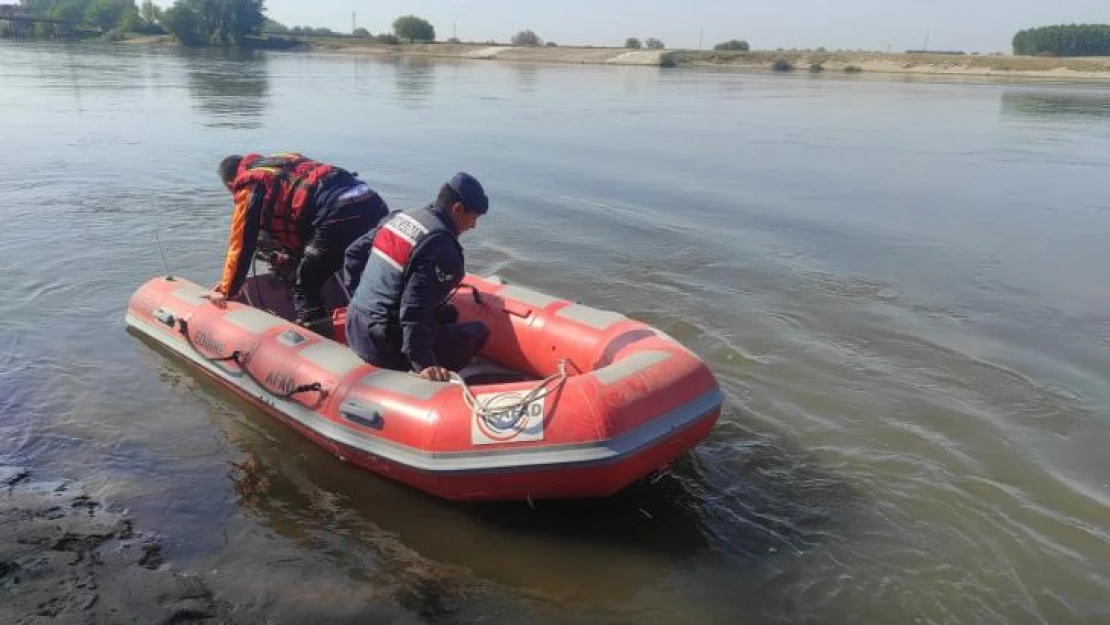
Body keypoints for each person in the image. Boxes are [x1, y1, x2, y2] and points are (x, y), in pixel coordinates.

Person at [205, 152, 389, 337]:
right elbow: (302, 207)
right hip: (373, 204)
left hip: (338, 215)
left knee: (304, 283)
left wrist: (228, 290)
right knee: (364, 269)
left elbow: (241, 243)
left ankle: (322, 340)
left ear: (230, 185)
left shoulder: (249, 187)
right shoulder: (283, 160)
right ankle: (385, 322)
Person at [343, 172, 491, 381]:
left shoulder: (399, 217)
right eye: (473, 217)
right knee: (478, 332)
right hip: (383, 345)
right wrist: (424, 362)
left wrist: (360, 301)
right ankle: (432, 382)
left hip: (355, 325)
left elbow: (353, 254)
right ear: (457, 209)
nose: (473, 226)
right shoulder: (441, 248)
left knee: (449, 314)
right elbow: (414, 311)